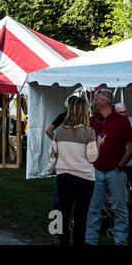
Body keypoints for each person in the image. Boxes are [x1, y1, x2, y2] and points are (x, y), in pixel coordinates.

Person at [85, 89, 132, 245]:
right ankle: (90, 241)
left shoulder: (122, 121)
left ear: (104, 101)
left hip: (115, 172)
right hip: (96, 171)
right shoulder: (92, 121)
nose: (93, 103)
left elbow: (130, 147)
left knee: (120, 209)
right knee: (93, 208)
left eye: (96, 100)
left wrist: (120, 166)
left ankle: (121, 241)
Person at [52, 97, 100, 245]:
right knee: (81, 216)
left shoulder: (59, 130)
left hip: (63, 175)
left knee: (62, 213)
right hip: (83, 177)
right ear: (84, 111)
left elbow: (53, 152)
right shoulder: (88, 132)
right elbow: (92, 157)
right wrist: (99, 144)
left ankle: (63, 242)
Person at [46, 95, 78, 210]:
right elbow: (48, 131)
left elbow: (49, 131)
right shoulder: (67, 117)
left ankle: (60, 217)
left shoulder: (66, 116)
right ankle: (61, 216)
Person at [114, 103, 132, 200]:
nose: (123, 114)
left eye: (125, 111)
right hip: (121, 163)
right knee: (124, 186)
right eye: (120, 112)